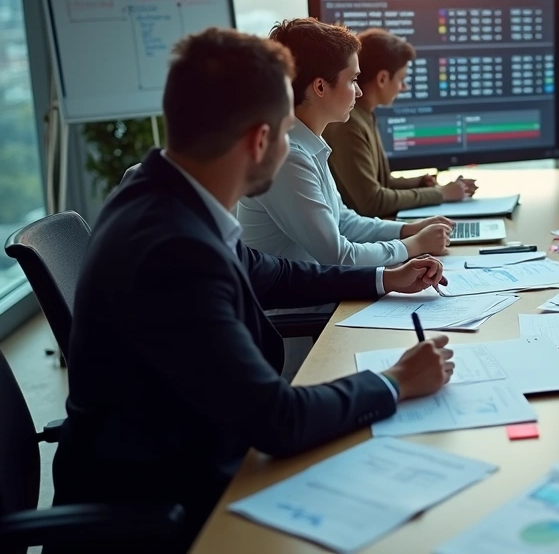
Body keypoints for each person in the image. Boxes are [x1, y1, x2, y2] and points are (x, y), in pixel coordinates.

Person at [51, 28, 456, 549]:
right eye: (287, 132)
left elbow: (271, 271)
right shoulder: (175, 251)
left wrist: (381, 277)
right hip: (170, 506)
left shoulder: (161, 191)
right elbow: (277, 420)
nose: (295, 148)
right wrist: (396, 381)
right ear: (259, 141)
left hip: (189, 450)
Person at [237, 18, 451, 265]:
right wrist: (412, 246)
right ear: (319, 86)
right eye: (352, 80)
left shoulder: (308, 144)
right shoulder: (288, 157)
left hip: (323, 297)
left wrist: (407, 230)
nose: (358, 92)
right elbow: (338, 255)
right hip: (305, 304)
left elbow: (343, 221)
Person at [324, 27, 478, 219]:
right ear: (382, 78)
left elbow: (381, 182)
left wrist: (420, 182)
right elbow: (373, 201)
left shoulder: (364, 115)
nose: (404, 87)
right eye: (401, 79)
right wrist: (441, 194)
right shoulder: (349, 124)